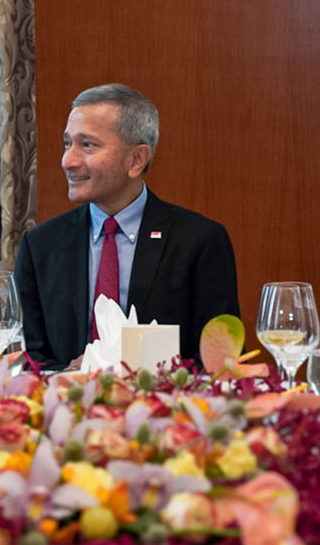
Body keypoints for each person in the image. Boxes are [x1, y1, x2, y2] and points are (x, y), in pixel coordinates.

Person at [14, 83, 241, 370]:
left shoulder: (200, 241)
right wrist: (69, 375)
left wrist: (143, 374)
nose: (68, 161)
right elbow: (27, 357)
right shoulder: (40, 245)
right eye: (67, 143)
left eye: (87, 145)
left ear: (136, 160)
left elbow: (221, 361)